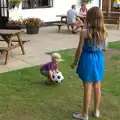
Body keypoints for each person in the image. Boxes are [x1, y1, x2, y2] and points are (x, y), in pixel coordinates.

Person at [71, 7, 108, 120]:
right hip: (99, 59)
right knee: (97, 86)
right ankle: (96, 111)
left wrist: (75, 62)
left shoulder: (84, 32)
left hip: (88, 59)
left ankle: (84, 114)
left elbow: (79, 50)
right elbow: (105, 48)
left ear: (89, 18)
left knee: (87, 88)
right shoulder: (104, 32)